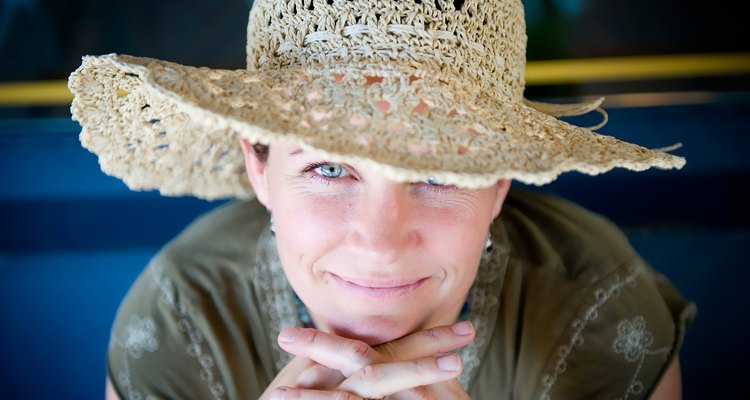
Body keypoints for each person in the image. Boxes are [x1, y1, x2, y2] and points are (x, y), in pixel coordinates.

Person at [68, 0, 695, 398]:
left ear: (502, 181)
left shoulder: (601, 312)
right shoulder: (183, 317)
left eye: (439, 170)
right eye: (331, 167)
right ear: (257, 167)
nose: (381, 241)